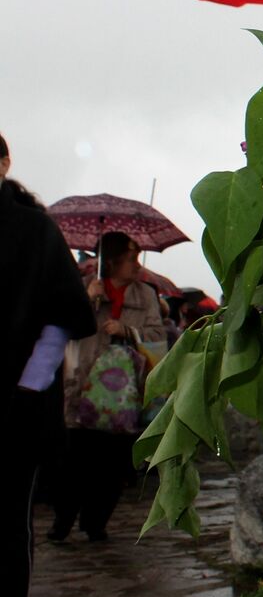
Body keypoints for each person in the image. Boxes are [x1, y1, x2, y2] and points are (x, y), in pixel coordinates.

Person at [0, 133, 95, 597]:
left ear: (4, 163)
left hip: (16, 403)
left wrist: (29, 386)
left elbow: (63, 317)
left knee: (8, 520)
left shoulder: (34, 230)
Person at [53, 231, 164, 542]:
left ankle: (96, 522)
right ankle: (62, 521)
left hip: (123, 394)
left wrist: (127, 330)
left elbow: (158, 336)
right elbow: (64, 326)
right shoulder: (85, 287)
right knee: (74, 461)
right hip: (82, 386)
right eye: (130, 259)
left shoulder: (146, 295)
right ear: (111, 261)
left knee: (112, 464)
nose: (136, 265)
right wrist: (88, 300)